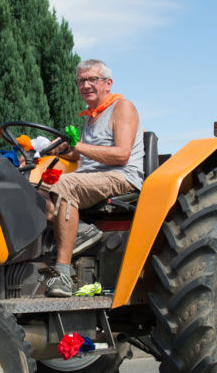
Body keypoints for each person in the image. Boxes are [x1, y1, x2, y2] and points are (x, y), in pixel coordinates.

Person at [42, 59, 144, 297]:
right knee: (33, 191)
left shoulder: (122, 107)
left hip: (121, 176)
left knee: (65, 184)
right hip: (90, 177)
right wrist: (63, 150)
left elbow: (121, 154)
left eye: (92, 80)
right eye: (81, 81)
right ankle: (82, 231)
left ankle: (63, 274)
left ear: (108, 84)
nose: (86, 85)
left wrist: (77, 146)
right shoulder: (91, 116)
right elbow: (87, 154)